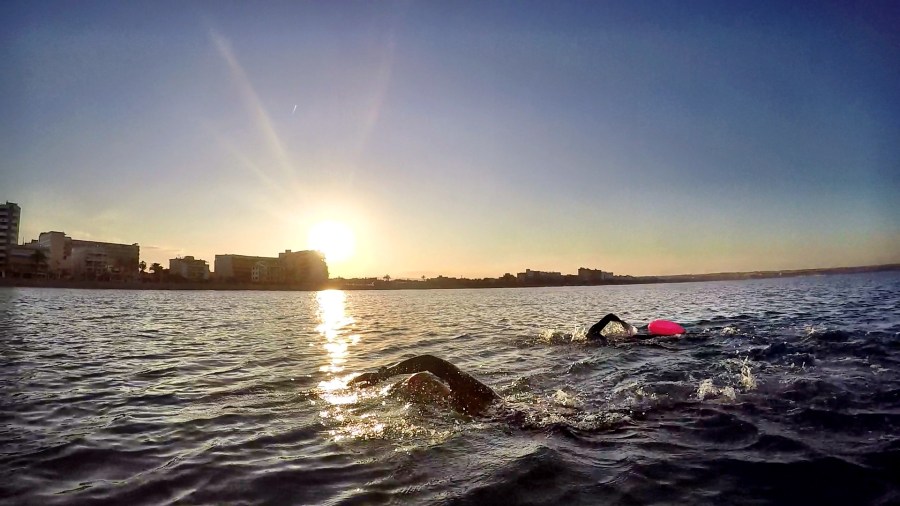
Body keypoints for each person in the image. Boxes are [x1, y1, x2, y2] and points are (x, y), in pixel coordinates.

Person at [348, 354, 500, 416]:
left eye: (430, 382)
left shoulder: (473, 392)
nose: (430, 389)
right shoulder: (445, 414)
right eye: (421, 389)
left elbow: (429, 362)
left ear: (444, 384)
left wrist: (383, 375)